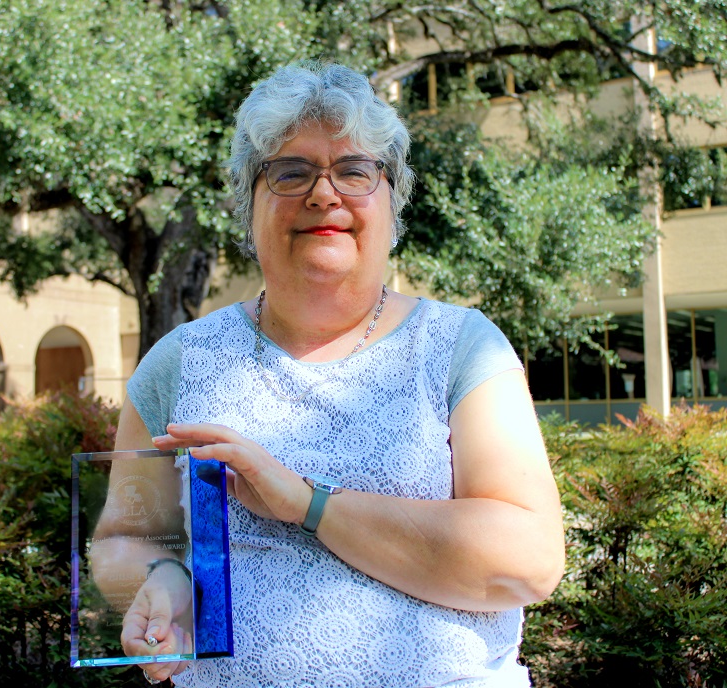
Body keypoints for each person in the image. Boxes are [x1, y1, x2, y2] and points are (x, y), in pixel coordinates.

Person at [101, 60, 565, 686]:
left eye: (354, 171)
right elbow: (122, 541)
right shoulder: (179, 362)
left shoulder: (462, 348)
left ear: (391, 201)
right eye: (291, 173)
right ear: (249, 205)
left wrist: (307, 503)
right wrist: (161, 580)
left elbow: (528, 559)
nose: (325, 194)